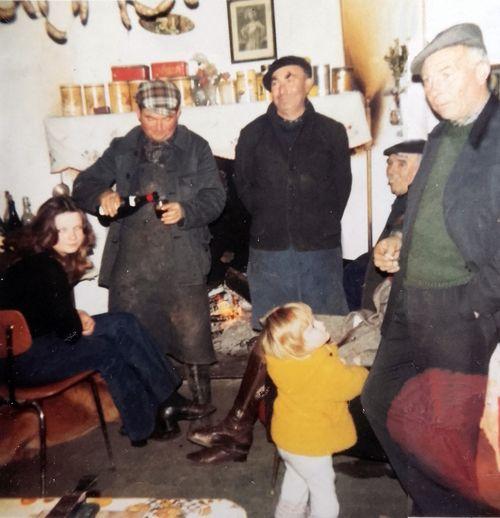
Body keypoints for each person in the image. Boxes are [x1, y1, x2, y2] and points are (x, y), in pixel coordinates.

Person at [361, 23, 500, 516]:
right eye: (428, 79)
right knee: (380, 399)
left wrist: (488, 314)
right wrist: (399, 240)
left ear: (483, 69)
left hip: (462, 310)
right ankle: (435, 503)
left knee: (453, 431)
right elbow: (426, 211)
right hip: (410, 300)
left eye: (447, 73)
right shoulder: (441, 135)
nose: (435, 89)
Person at [0, 196, 213, 447]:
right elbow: (68, 335)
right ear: (47, 231)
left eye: (77, 228)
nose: (72, 236)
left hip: (32, 348)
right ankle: (144, 425)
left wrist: (76, 319)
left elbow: (45, 315)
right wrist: (77, 323)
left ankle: (168, 399)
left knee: (123, 323)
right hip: (22, 365)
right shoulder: (48, 268)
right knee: (108, 351)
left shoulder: (37, 260)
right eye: (63, 229)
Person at [72, 80, 226, 410]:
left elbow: (216, 198)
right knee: (135, 336)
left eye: (166, 118)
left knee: (192, 337)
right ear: (137, 113)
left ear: (179, 114)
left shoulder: (197, 147)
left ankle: (202, 409)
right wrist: (102, 196)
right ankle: (152, 407)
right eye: (150, 117)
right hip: (132, 262)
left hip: (183, 258)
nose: (158, 126)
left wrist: (187, 211)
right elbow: (83, 184)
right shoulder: (121, 148)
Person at [234, 55, 352, 331]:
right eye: (275, 81)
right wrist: (270, 216)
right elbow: (244, 186)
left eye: (290, 77)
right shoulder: (251, 134)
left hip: (320, 249)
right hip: (270, 250)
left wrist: (320, 222)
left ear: (308, 83)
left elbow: (341, 186)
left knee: (326, 327)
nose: (281, 87)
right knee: (277, 332)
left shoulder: (331, 132)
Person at [261, 303, 367, 518]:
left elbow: (317, 366)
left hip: (288, 439)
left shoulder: (283, 361)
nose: (320, 323)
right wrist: (360, 369)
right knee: (323, 490)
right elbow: (349, 385)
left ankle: (287, 515)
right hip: (312, 444)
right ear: (298, 346)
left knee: (296, 477)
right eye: (311, 327)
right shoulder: (322, 370)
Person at [344, 139, 425, 312]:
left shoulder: (419, 201)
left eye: (402, 164)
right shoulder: (404, 198)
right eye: (389, 163)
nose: (390, 171)